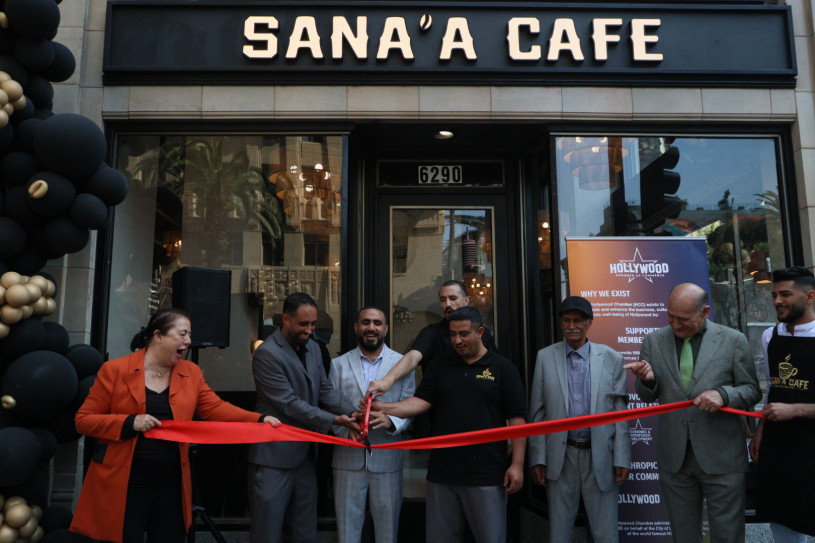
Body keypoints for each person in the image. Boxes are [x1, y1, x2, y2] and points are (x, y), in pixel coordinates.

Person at [70, 308, 280, 543]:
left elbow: (216, 408)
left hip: (171, 485)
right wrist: (129, 421)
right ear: (158, 336)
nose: (189, 341)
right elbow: (84, 420)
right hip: (123, 485)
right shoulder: (115, 370)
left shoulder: (191, 372)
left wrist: (258, 419)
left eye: (189, 335)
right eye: (182, 334)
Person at [368, 306, 526, 543]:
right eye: (452, 334)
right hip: (442, 473)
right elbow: (421, 402)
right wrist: (384, 407)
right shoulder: (441, 364)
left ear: (480, 331)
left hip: (487, 474)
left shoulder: (503, 368)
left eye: (464, 334)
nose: (457, 340)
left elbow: (517, 420)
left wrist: (517, 464)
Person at [624, 283, 760, 543]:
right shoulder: (654, 341)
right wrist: (648, 380)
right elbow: (646, 396)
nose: (675, 324)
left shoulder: (733, 340)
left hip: (722, 457)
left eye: (683, 319)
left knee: (728, 535)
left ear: (705, 311)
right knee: (683, 536)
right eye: (670, 316)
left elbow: (752, 390)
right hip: (675, 459)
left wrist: (723, 394)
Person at [247, 292, 359, 543]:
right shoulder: (267, 353)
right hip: (273, 457)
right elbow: (288, 404)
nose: (309, 330)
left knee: (304, 531)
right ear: (285, 319)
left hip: (306, 457)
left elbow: (326, 390)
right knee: (268, 532)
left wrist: (353, 412)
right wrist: (335, 420)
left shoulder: (314, 350)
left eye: (313, 324)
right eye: (303, 324)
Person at [528, 296, 631, 543]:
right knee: (559, 533)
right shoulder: (545, 357)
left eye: (577, 320)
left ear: (589, 323)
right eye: (566, 320)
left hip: (601, 457)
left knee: (606, 533)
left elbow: (621, 415)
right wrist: (538, 458)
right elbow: (538, 413)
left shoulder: (611, 358)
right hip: (560, 458)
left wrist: (622, 457)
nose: (571, 325)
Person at [329, 306, 415, 543]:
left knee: (388, 534)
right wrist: (346, 428)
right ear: (357, 327)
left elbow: (411, 405)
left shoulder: (401, 364)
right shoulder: (338, 365)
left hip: (387, 460)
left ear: (385, 329)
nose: (371, 328)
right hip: (347, 459)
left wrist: (391, 421)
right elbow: (328, 407)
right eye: (365, 322)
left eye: (377, 323)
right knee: (347, 534)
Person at [748, 266, 815, 542]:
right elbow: (772, 388)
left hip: (811, 446)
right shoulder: (769, 336)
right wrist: (760, 431)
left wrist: (796, 409)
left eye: (785, 294)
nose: (777, 301)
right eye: (774, 294)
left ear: (810, 296)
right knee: (781, 516)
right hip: (779, 446)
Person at [366, 279, 495, 396]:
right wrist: (387, 381)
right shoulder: (432, 333)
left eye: (453, 298)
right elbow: (413, 357)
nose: (447, 304)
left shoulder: (482, 333)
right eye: (443, 300)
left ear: (466, 300)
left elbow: (496, 368)